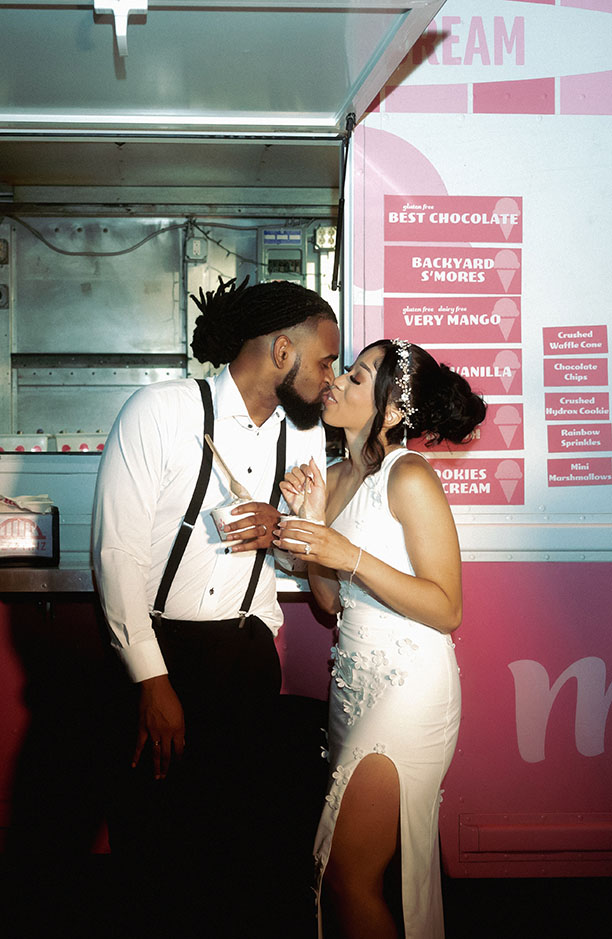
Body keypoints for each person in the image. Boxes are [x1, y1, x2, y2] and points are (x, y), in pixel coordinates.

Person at [92, 276, 339, 937]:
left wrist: (281, 530)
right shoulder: (162, 410)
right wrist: (151, 678)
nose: (331, 378)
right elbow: (115, 554)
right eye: (324, 361)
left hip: (248, 657)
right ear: (281, 351)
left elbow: (301, 563)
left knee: (234, 849)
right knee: (153, 842)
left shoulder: (306, 439)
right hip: (163, 653)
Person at [275, 339, 486, 939]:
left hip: (412, 688)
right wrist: (313, 528)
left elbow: (447, 607)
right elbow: (328, 603)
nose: (337, 381)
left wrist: (350, 553)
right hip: (352, 687)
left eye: (358, 375)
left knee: (347, 874)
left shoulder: (409, 475)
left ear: (391, 411)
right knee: (343, 875)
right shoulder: (336, 477)